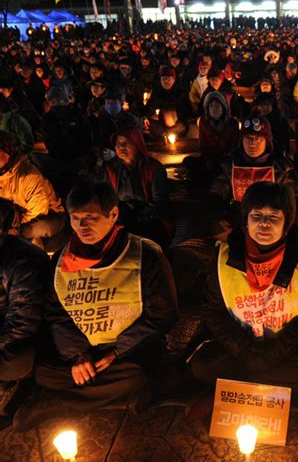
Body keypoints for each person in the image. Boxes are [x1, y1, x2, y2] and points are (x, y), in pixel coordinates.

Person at [18, 180, 178, 427]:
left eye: (91, 217)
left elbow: (162, 315)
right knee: (43, 371)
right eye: (75, 218)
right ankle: (104, 393)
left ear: (113, 214)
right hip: (86, 349)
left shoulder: (143, 254)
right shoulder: (62, 261)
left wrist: (116, 352)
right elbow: (56, 313)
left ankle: (63, 405)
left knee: (135, 374)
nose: (82, 226)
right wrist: (77, 355)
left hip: (129, 350)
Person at [188, 181, 298, 402]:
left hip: (287, 347)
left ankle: (235, 389)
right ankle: (287, 391)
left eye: (274, 217)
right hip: (239, 346)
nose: (264, 224)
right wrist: (245, 353)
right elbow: (213, 311)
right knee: (201, 365)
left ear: (287, 223)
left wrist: (274, 353)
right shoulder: (222, 257)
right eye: (256, 216)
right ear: (245, 222)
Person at [0, 199, 50, 416]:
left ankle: (25, 387)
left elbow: (23, 322)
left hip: (23, 342)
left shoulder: (23, 261)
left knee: (15, 361)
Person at [209, 115, 298, 226]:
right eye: (248, 138)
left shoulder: (282, 168)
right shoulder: (229, 165)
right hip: (237, 222)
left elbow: (292, 200)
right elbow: (217, 195)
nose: (252, 143)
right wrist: (220, 221)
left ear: (267, 141)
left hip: (269, 224)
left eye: (258, 138)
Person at [103, 126, 175, 247]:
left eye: (126, 143)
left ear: (137, 144)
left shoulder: (153, 168)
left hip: (148, 220)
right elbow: (107, 198)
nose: (121, 147)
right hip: (120, 219)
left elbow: (160, 203)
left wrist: (137, 217)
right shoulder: (111, 168)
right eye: (118, 144)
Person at [0, 131, 65, 250]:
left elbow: (38, 212)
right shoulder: (3, 173)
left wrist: (13, 226)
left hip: (46, 216)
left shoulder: (29, 176)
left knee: (30, 232)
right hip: (15, 216)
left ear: (8, 153)